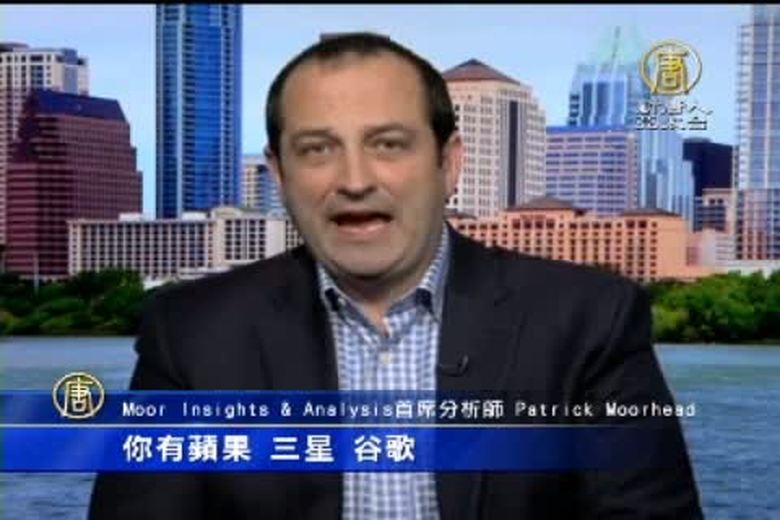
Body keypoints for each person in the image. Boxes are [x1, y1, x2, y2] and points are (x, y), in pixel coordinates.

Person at [90, 33, 702, 519]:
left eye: (388, 144)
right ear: (279, 175)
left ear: (448, 163)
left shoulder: (588, 320)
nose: (355, 180)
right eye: (317, 149)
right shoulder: (192, 333)